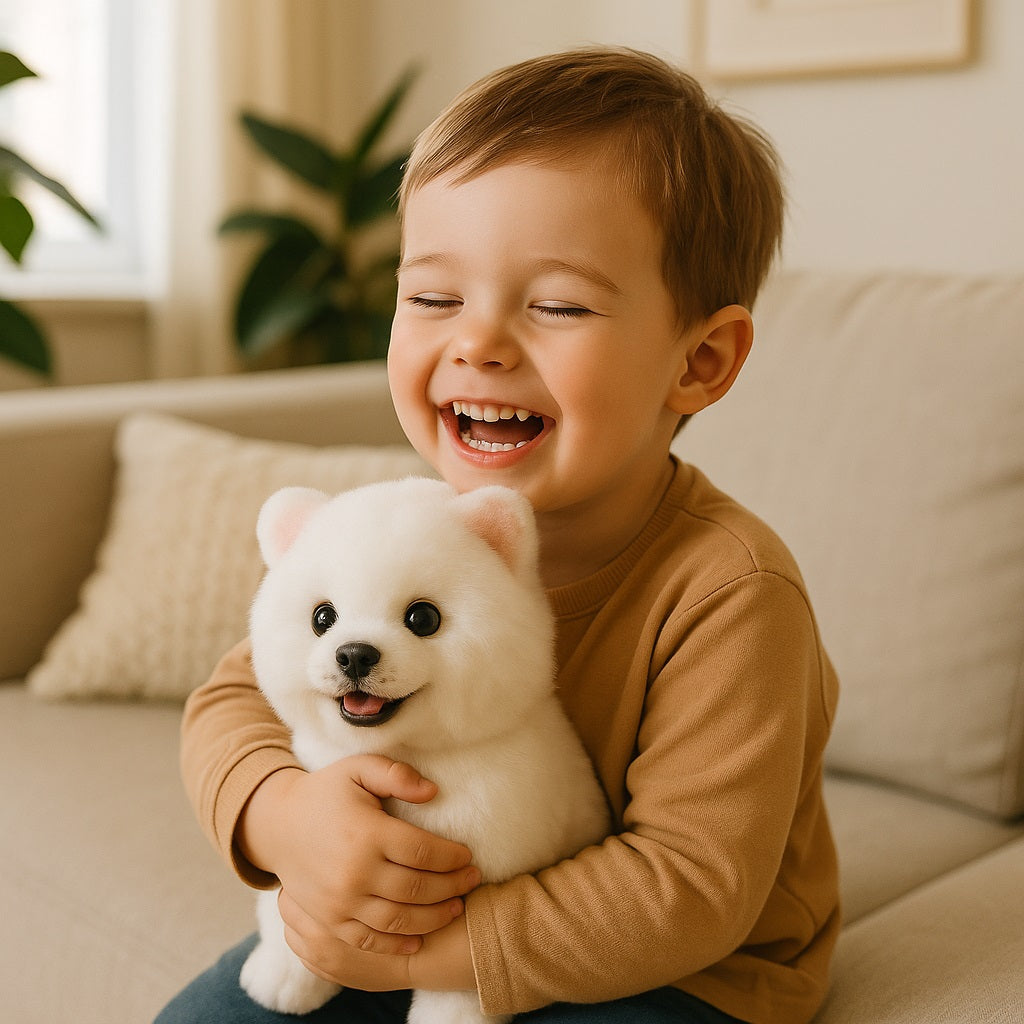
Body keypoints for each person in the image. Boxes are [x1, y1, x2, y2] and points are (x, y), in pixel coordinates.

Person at [156, 46, 840, 1024]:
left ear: (698, 360)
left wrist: (437, 956)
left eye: (555, 304)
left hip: (679, 971)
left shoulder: (730, 589)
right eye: (434, 297)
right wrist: (280, 813)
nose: (476, 342)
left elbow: (690, 888)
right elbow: (233, 696)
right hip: (414, 903)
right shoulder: (397, 527)